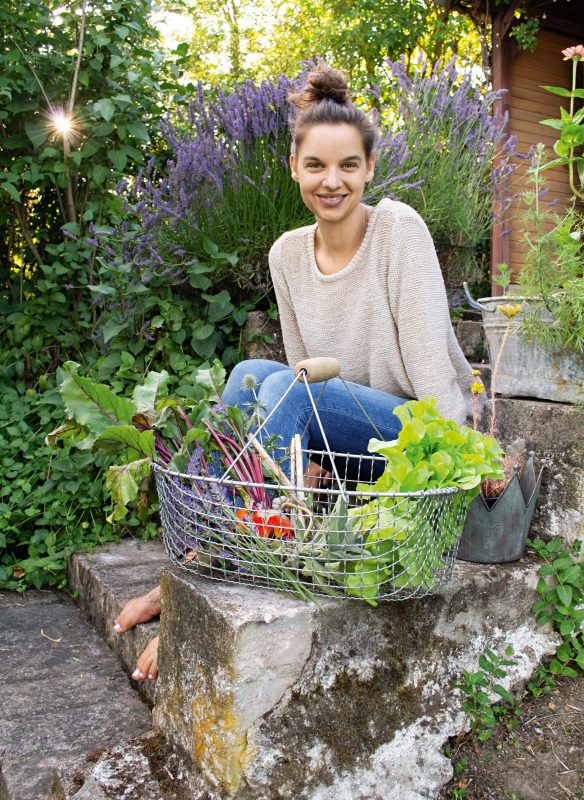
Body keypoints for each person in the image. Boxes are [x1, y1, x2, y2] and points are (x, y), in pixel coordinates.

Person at [114, 64, 480, 682]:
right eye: (316, 166)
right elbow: (297, 370)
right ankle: (223, 547)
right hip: (338, 445)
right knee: (252, 375)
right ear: (293, 167)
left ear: (368, 168)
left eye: (348, 167)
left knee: (278, 385)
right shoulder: (285, 254)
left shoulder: (398, 230)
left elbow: (431, 368)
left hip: (406, 440)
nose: (331, 182)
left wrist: (449, 477)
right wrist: (300, 466)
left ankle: (190, 577)